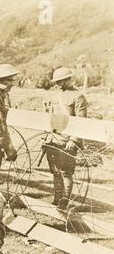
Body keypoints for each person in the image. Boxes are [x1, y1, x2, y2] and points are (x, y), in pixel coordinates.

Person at [44, 67, 88, 209]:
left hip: (67, 141)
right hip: (54, 139)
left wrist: (73, 140)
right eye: (57, 81)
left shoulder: (78, 97)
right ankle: (57, 198)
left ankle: (64, 200)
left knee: (66, 172)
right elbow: (50, 118)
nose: (58, 83)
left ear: (69, 79)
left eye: (61, 80)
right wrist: (47, 136)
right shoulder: (56, 96)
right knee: (55, 171)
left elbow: (82, 121)